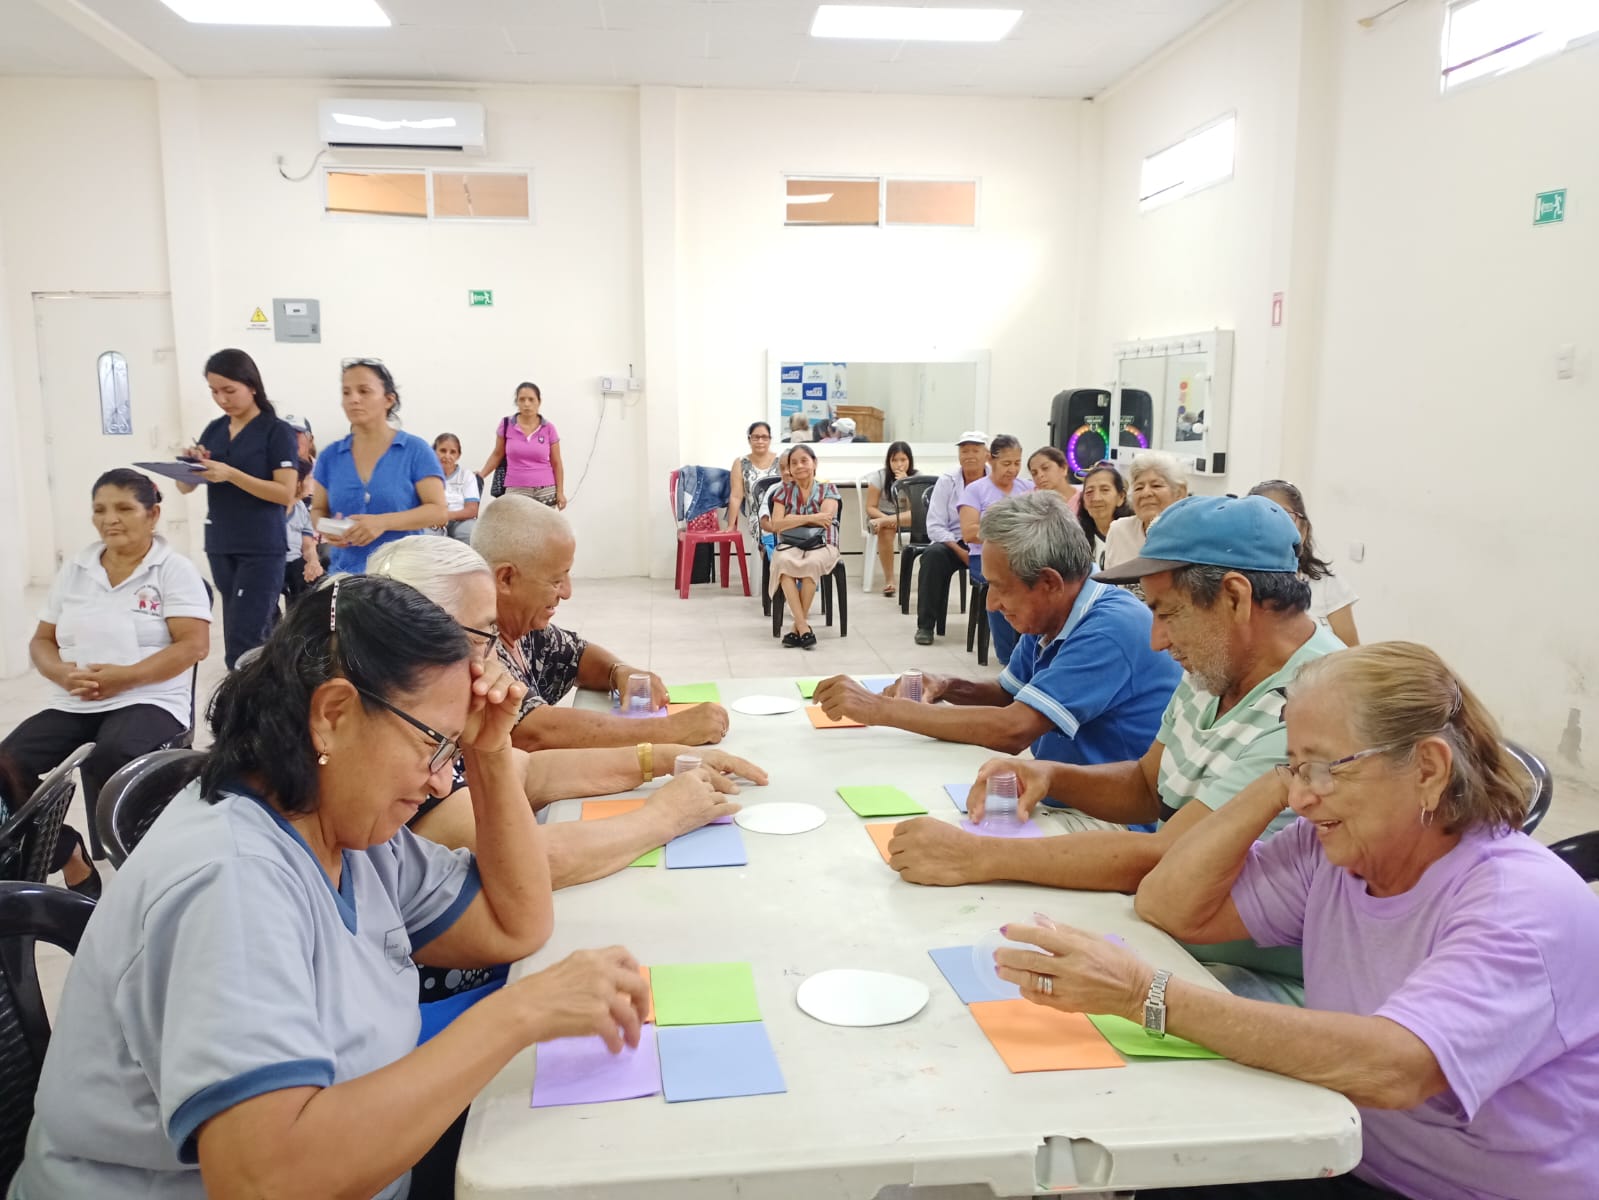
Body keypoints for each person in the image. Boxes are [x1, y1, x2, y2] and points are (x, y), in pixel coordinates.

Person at [11, 574, 653, 1199]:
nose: (440, 781)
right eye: (435, 745)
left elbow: (516, 923)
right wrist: (518, 1014)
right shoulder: (231, 881)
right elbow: (266, 1181)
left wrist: (488, 754)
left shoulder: (351, 832)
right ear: (334, 714)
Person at [1083, 642, 1599, 1200]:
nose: (1300, 798)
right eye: (1294, 767)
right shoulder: (1332, 850)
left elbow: (1396, 1070)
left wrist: (1146, 996)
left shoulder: (1520, 905)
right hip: (1349, 1154)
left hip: (1462, 1191)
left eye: (1326, 767)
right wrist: (1278, 781)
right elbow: (1169, 906)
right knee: (1160, 1164)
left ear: (1427, 769)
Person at [886, 495, 1346, 1004]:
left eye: (1167, 613)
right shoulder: (1220, 664)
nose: (1156, 640)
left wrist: (977, 855)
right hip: (1172, 933)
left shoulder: (1314, 709)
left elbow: (1169, 859)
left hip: (1256, 978)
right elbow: (1149, 786)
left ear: (1234, 598)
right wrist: (1053, 777)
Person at [367, 536, 768, 882]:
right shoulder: (407, 750)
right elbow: (528, 863)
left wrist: (662, 758)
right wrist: (664, 817)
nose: (494, 653)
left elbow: (532, 772)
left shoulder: (441, 721)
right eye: (485, 634)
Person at [816, 493, 1181, 821]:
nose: (991, 603)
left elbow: (1013, 729)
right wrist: (946, 686)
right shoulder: (1055, 610)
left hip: (1117, 822)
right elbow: (1010, 695)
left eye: (1000, 587)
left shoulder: (1109, 628)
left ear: (1049, 583)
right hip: (1065, 800)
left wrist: (878, 709)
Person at [0, 470, 211, 894]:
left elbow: (194, 645)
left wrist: (126, 677)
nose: (109, 519)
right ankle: (66, 852)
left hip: (151, 697)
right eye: (99, 510)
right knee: (7, 763)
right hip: (77, 699)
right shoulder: (77, 569)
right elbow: (42, 641)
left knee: (115, 753)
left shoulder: (173, 570)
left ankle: (147, 870)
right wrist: (61, 673)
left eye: (123, 508)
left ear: (152, 515)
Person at [472, 495, 731, 751]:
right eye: (556, 581)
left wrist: (618, 672)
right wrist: (670, 730)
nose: (567, 593)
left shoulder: (524, 629)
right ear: (506, 578)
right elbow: (533, 731)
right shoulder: (472, 645)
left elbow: (577, 655)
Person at [174, 348, 297, 669]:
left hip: (260, 546)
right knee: (244, 630)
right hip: (221, 543)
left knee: (245, 640)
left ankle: (245, 695)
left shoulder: (276, 431)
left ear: (252, 385)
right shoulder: (214, 430)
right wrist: (190, 466)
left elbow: (284, 493)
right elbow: (185, 488)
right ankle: (266, 689)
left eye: (229, 390)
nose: (222, 399)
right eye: (214, 391)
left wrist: (231, 474)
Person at [311, 359, 447, 575]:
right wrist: (327, 528)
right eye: (346, 392)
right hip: (347, 576)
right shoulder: (330, 457)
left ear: (388, 400)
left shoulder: (415, 451)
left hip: (403, 576)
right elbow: (318, 509)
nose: (354, 399)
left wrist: (382, 522)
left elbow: (438, 512)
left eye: (364, 391)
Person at [1250, 479, 1360, 646]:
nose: (1273, 527)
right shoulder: (1235, 585)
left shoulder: (1326, 582)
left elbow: (1351, 653)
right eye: (1261, 518)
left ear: (1304, 530)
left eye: (1285, 517)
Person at [959, 434, 1035, 665]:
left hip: (1022, 556)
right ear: (991, 460)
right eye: (1006, 463)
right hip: (984, 557)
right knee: (1002, 584)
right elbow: (969, 532)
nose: (1013, 469)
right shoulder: (976, 490)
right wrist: (1007, 531)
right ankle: (1008, 656)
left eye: (1017, 463)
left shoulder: (1027, 488)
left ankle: (1033, 649)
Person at [913, 431, 990, 647]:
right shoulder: (947, 480)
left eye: (975, 450)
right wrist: (960, 551)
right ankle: (926, 626)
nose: (969, 456)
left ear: (986, 455)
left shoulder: (995, 479)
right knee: (932, 556)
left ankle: (1000, 624)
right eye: (964, 451)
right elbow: (935, 525)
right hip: (954, 541)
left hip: (987, 542)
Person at [767, 443, 841, 649]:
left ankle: (796, 628)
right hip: (791, 544)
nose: (799, 466)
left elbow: (825, 520)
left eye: (804, 461)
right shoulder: (783, 491)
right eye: (794, 463)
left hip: (823, 543)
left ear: (814, 463)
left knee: (811, 564)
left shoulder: (828, 488)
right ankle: (803, 627)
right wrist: (811, 518)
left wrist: (792, 519)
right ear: (789, 468)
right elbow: (776, 524)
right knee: (783, 563)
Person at [479, 381, 565, 509]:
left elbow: (556, 463)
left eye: (531, 399)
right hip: (515, 489)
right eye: (522, 399)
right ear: (517, 402)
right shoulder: (506, 424)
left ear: (539, 402)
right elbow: (497, 454)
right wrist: (481, 475)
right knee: (514, 522)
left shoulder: (548, 428)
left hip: (545, 490)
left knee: (543, 523)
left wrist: (560, 492)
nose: (526, 404)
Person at [1102, 450, 1189, 572]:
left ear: (1180, 493)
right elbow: (1109, 581)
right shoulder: (1119, 531)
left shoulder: (1193, 535)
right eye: (1139, 488)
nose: (1146, 493)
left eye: (1156, 485)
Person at [865, 441, 915, 597]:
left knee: (918, 516)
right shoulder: (879, 477)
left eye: (903, 460)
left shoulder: (917, 477)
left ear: (910, 460)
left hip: (907, 517)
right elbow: (870, 507)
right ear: (888, 461)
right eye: (894, 460)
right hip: (882, 516)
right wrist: (888, 519)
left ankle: (885, 522)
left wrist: (906, 484)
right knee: (885, 530)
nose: (899, 464)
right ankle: (890, 580)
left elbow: (917, 509)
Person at [723, 421, 780, 540]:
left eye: (764, 437)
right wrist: (731, 526)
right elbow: (736, 496)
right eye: (755, 437)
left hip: (781, 514)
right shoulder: (740, 463)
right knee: (766, 537)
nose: (760, 441)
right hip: (757, 519)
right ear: (749, 439)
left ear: (770, 439)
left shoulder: (781, 460)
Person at [1076, 461, 1133, 569]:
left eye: (1105, 490)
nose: (1096, 498)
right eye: (1089, 492)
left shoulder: (1137, 534)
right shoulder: (1077, 539)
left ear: (1121, 497)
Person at [282, 462, 323, 609]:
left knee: (315, 576)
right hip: (270, 561)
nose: (313, 483)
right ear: (298, 483)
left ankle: (299, 617)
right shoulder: (272, 508)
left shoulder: (301, 508)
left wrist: (313, 561)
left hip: (293, 563)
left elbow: (307, 545)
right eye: (309, 478)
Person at [433, 432, 482, 544]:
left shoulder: (467, 476)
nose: (447, 456)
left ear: (458, 455)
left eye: (453, 452)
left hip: (460, 521)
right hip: (433, 521)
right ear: (434, 452)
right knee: (426, 537)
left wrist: (447, 516)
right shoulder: (425, 475)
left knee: (471, 534)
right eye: (443, 451)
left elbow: (472, 510)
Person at [1026, 446, 1082, 516]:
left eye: (1045, 468)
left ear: (1064, 468)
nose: (1039, 475)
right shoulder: (1027, 501)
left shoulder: (1084, 500)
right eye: (1034, 473)